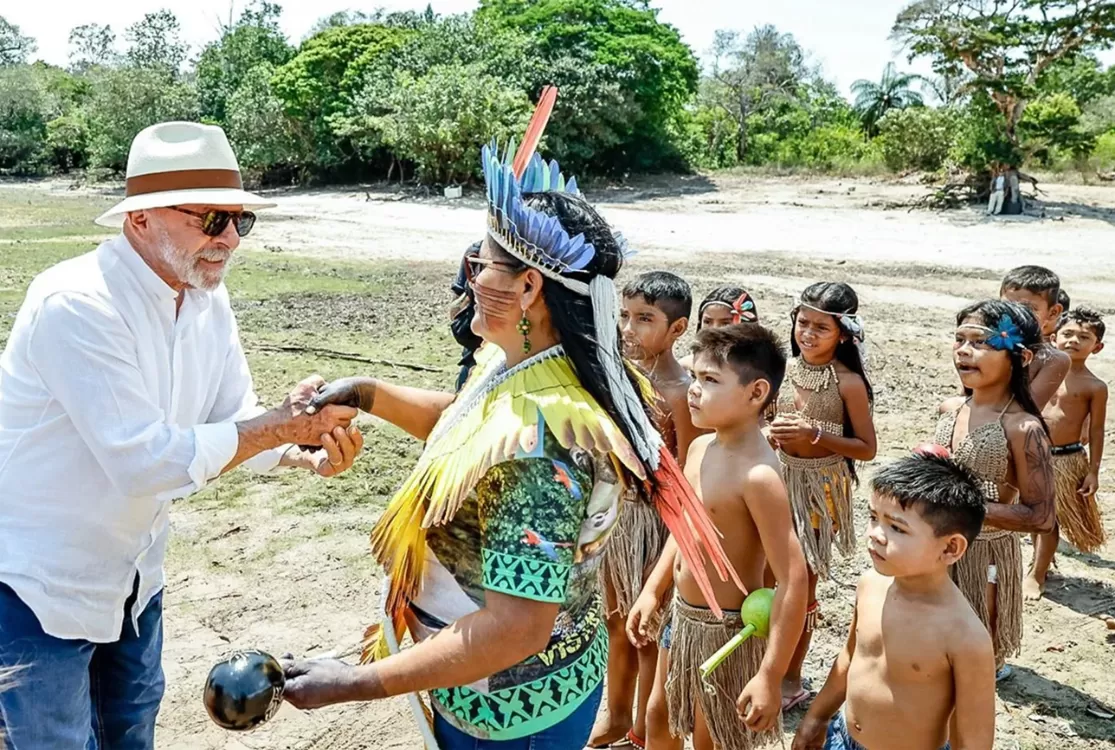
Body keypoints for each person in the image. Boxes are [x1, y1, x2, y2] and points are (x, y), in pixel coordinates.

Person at [276, 140, 737, 748]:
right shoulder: (530, 365)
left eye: (482, 267)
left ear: (527, 289)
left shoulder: (545, 447)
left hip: (510, 711)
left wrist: (351, 684)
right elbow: (469, 427)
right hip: (507, 684)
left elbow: (516, 629)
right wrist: (369, 393)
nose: (468, 278)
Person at [0, 122, 361, 749]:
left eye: (238, 222)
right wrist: (275, 425)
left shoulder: (203, 299)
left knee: (131, 735)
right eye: (211, 219)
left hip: (135, 578)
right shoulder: (78, 304)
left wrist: (300, 449)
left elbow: (232, 416)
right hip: (36, 587)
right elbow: (142, 464)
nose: (228, 240)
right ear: (140, 219)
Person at [628, 323, 809, 750]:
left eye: (710, 380)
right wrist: (653, 591)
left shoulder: (759, 476)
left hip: (727, 632)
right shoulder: (700, 448)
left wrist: (769, 675)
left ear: (756, 392)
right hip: (682, 619)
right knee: (660, 715)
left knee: (712, 735)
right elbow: (689, 528)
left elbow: (793, 578)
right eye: (695, 376)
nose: (694, 389)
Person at [791, 453, 996, 750]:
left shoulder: (964, 637)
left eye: (897, 528)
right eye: (874, 518)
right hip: (842, 738)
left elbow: (974, 738)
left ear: (951, 547)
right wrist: (817, 716)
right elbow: (851, 657)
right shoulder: (870, 585)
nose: (876, 534)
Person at [588, 271, 697, 749]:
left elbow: (689, 477)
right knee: (614, 619)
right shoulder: (618, 375)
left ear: (677, 329)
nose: (629, 329)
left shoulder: (682, 392)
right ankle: (613, 716)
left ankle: (641, 727)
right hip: (616, 514)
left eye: (644, 319)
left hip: (657, 523)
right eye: (625, 317)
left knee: (648, 629)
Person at [934, 299, 1056, 680]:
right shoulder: (949, 408)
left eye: (981, 342)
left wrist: (964, 506)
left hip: (984, 554)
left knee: (974, 646)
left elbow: (1041, 516)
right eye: (959, 339)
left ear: (1018, 357)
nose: (964, 351)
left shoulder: (1024, 429)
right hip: (934, 547)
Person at [769, 282, 877, 710]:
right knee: (768, 575)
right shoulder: (783, 368)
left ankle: (791, 679)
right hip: (777, 479)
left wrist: (815, 434)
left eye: (821, 328)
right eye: (803, 323)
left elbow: (867, 447)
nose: (808, 334)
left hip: (821, 489)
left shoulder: (846, 382)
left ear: (844, 334)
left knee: (801, 584)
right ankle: (766, 661)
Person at [1026, 308, 1108, 598]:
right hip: (1030, 452)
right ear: (1053, 337)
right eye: (1068, 334)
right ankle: (1039, 565)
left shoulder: (1094, 386)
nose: (1074, 340)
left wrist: (1093, 471)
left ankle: (1037, 575)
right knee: (1034, 517)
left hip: (1065, 460)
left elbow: (1096, 430)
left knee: (1049, 519)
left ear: (1096, 347)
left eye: (1084, 337)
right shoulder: (1035, 370)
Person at [999, 265, 1069, 409]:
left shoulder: (1053, 359)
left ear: (1053, 312)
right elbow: (968, 396)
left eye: (1027, 308)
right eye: (1006, 306)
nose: (1014, 315)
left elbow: (1027, 409)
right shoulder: (985, 344)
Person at [679, 286, 759, 372]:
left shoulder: (758, 369)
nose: (714, 329)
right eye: (707, 322)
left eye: (725, 323)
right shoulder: (685, 367)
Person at [450, 241, 485, 391]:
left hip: (474, 358)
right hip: (473, 360)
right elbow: (453, 312)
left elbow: (453, 311)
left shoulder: (476, 252)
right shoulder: (474, 253)